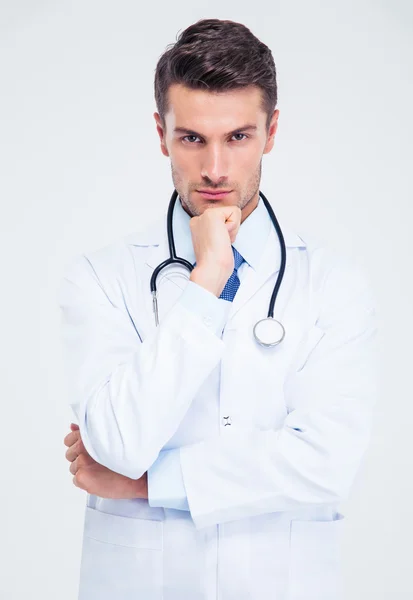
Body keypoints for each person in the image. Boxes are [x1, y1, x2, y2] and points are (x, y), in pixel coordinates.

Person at [59, 17, 378, 600]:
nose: (214, 170)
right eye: (192, 139)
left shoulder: (333, 284)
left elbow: (325, 463)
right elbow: (117, 444)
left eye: (238, 137)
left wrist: (149, 484)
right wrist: (206, 281)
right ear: (161, 133)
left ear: (271, 131)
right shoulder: (101, 279)